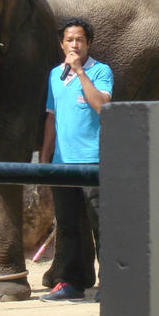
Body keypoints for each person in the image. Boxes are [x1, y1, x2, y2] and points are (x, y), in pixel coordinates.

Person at [40, 17, 113, 302]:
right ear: (61, 44)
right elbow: (51, 118)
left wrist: (81, 72)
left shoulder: (101, 71)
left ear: (89, 44)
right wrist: (45, 161)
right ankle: (72, 282)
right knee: (68, 226)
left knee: (102, 225)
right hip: (62, 164)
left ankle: (112, 282)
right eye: (69, 40)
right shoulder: (54, 75)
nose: (74, 45)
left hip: (94, 162)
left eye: (80, 40)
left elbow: (103, 106)